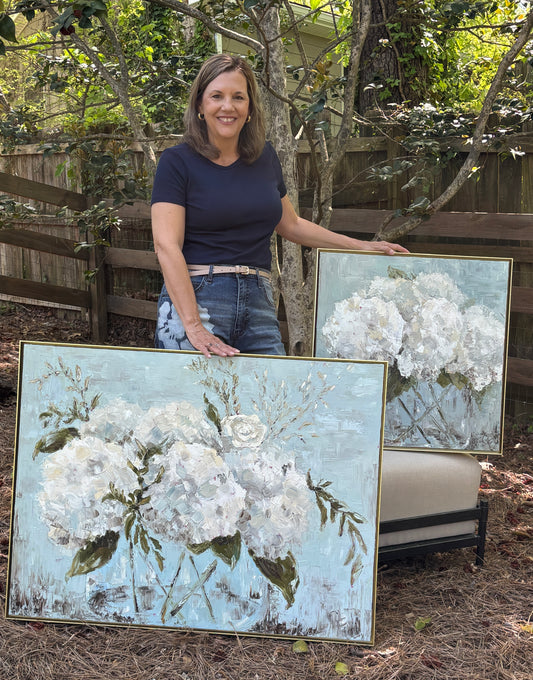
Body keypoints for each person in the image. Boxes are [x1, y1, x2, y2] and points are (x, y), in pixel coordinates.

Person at [151, 54, 408, 358]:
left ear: (249, 109)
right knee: (194, 390)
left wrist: (361, 246)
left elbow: (291, 224)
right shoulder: (177, 162)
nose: (227, 106)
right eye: (216, 96)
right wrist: (193, 325)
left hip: (258, 299)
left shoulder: (265, 158)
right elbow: (166, 245)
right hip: (198, 298)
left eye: (238, 97)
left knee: (273, 389)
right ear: (199, 105)